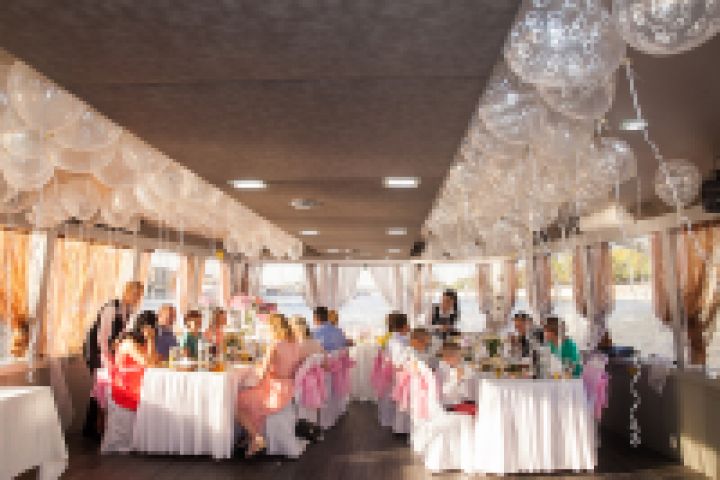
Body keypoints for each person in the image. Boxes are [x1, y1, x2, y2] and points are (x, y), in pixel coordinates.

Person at [82, 280, 144, 440]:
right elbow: (102, 338)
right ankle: (92, 428)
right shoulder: (112, 308)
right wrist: (107, 360)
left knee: (102, 389)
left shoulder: (128, 311)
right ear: (127, 292)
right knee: (99, 388)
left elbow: (120, 336)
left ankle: (97, 427)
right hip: (96, 352)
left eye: (139, 295)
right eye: (135, 293)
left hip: (109, 352)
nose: (137, 297)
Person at [236, 313, 304, 456]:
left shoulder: (275, 345)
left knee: (238, 402)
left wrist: (253, 373)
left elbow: (262, 373)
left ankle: (256, 437)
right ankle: (252, 439)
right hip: (288, 387)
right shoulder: (296, 344)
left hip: (274, 390)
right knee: (249, 398)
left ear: (274, 328)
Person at [101, 325, 155, 453]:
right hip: (125, 387)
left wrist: (150, 342)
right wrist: (150, 339)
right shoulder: (129, 343)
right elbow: (148, 363)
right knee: (124, 427)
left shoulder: (136, 344)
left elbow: (153, 359)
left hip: (132, 385)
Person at [437, 342, 474, 414]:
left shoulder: (456, 366)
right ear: (447, 358)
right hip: (449, 407)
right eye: (458, 357)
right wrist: (457, 378)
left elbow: (469, 375)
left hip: (461, 402)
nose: (460, 359)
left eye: (460, 356)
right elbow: (444, 392)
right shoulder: (442, 370)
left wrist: (467, 373)